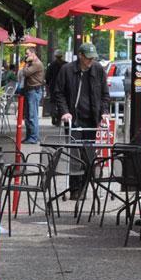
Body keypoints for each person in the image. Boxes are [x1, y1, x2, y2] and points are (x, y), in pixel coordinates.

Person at [47, 43, 111, 197]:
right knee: (75, 155)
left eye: (92, 58)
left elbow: (105, 94)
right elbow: (59, 93)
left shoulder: (98, 70)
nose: (90, 61)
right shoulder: (67, 70)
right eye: (87, 58)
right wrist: (65, 112)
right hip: (74, 118)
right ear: (80, 56)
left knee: (88, 155)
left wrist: (104, 112)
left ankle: (84, 186)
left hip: (91, 118)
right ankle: (75, 189)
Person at [19, 48, 46, 144]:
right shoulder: (32, 63)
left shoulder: (36, 64)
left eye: (27, 53)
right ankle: (30, 136)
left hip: (33, 91)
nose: (26, 55)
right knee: (28, 116)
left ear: (33, 54)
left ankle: (33, 137)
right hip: (30, 91)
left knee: (32, 116)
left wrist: (26, 63)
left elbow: (25, 73)